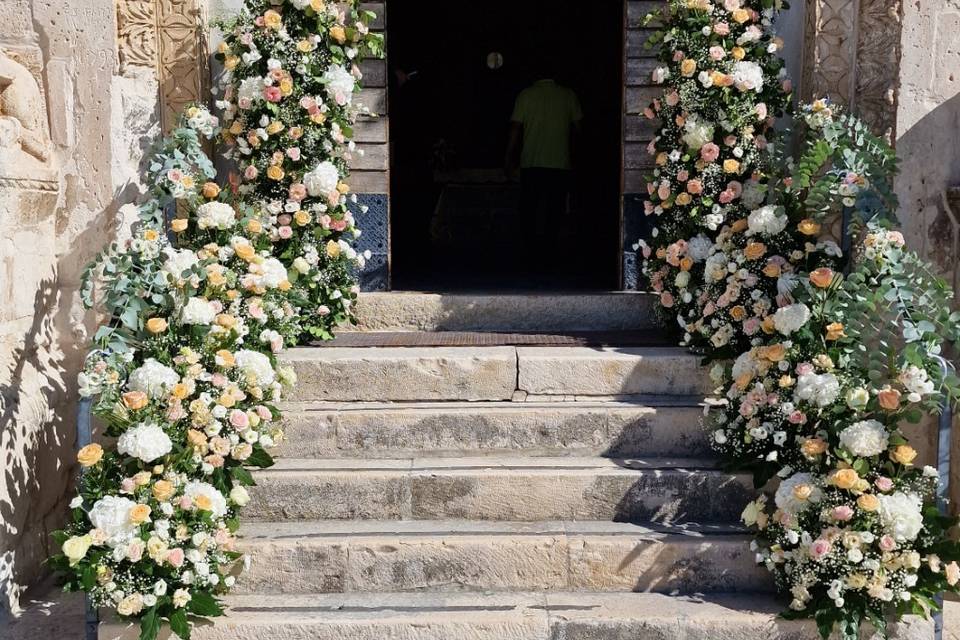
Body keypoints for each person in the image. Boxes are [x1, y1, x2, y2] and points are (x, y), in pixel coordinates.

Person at [505, 63, 582, 244]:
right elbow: (579, 130)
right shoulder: (568, 95)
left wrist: (508, 158)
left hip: (531, 163)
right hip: (560, 163)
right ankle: (550, 252)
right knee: (555, 213)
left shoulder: (526, 95)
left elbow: (515, 129)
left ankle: (529, 251)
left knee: (529, 212)